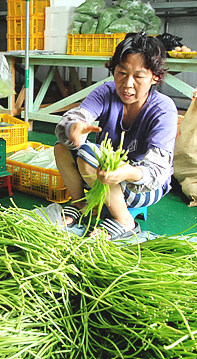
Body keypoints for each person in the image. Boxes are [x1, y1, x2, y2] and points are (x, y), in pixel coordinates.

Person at [54, 31, 178, 240]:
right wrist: (73, 127)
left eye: (138, 76)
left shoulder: (164, 109)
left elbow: (158, 171)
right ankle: (80, 203)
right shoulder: (106, 92)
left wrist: (127, 172)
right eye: (121, 73)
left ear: (155, 77)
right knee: (62, 147)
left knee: (87, 155)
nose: (127, 84)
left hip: (140, 186)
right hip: (100, 176)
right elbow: (77, 116)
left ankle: (124, 220)